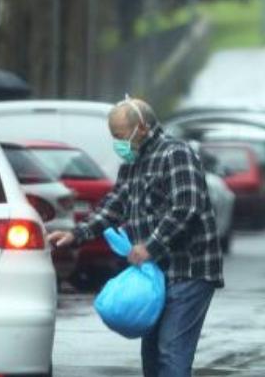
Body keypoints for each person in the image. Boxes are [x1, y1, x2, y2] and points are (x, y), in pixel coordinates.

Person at [47, 97, 223, 377]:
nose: (117, 143)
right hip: (155, 275)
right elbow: (114, 205)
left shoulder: (175, 154)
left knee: (171, 351)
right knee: (152, 355)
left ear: (141, 128)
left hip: (189, 270)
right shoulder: (133, 163)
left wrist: (150, 246)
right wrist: (76, 234)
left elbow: (187, 207)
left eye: (119, 135)